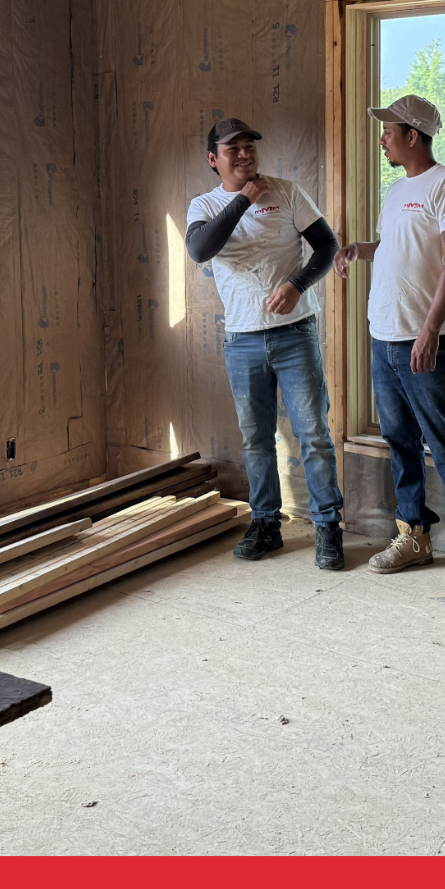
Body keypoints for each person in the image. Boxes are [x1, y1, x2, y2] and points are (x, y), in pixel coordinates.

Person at [334, 94, 445, 591]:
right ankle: (414, 535)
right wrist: (363, 249)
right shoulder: (394, 191)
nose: (382, 138)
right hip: (384, 336)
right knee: (399, 440)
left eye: (389, 130)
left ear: (413, 135)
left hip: (426, 341)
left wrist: (429, 330)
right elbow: (399, 247)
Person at [185, 118, 344, 568]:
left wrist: (297, 284)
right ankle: (267, 524)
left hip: (295, 333)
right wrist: (241, 202)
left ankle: (328, 528)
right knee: (256, 439)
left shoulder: (288, 192)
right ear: (213, 159)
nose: (244, 154)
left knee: (313, 433)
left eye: (249, 146)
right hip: (241, 339)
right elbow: (201, 250)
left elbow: (327, 247)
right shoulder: (204, 204)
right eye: (232, 148)